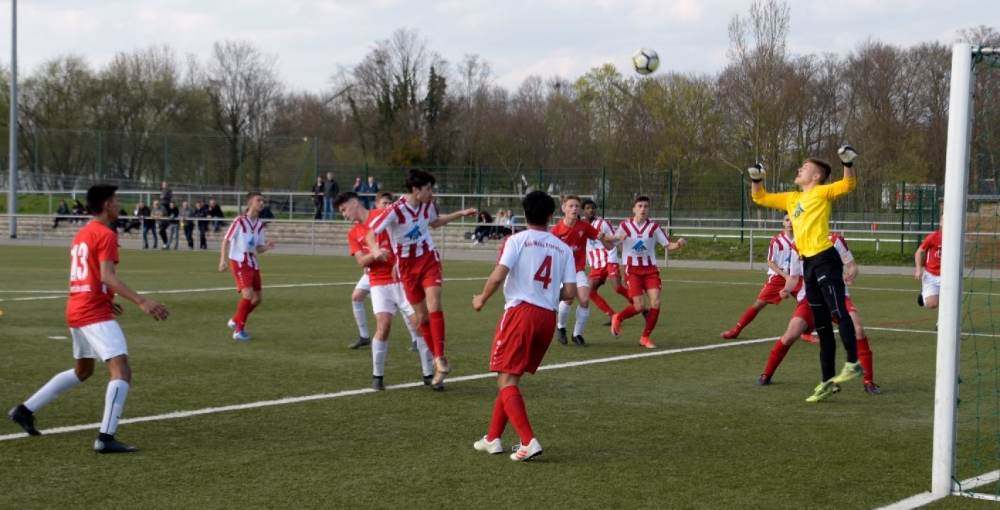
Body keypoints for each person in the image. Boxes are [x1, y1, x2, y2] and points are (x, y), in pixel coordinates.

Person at [7, 184, 169, 453]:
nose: (119, 204)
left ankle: (24, 410)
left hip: (78, 307)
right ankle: (106, 438)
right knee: (121, 370)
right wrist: (142, 301)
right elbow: (106, 275)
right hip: (92, 312)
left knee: (83, 371)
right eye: (117, 200)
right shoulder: (105, 234)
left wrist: (107, 298)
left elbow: (87, 276)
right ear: (107, 205)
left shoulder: (83, 234)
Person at [749, 146, 863, 402]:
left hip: (825, 259)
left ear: (816, 177)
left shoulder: (822, 192)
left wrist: (847, 162)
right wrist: (756, 179)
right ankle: (827, 382)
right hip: (808, 265)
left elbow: (848, 184)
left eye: (805, 168)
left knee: (838, 312)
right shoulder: (791, 199)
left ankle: (854, 363)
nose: (800, 169)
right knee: (821, 325)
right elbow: (760, 197)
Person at [471, 190, 577, 461]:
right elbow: (569, 293)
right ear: (551, 216)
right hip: (547, 318)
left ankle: (528, 441)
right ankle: (493, 438)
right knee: (510, 378)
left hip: (521, 313)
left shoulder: (516, 240)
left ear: (525, 213)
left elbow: (498, 276)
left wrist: (481, 298)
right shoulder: (562, 248)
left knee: (505, 379)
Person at [367, 168, 477, 386]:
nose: (431, 192)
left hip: (428, 260)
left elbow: (435, 223)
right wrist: (376, 251)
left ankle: (440, 357)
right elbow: (371, 234)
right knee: (421, 318)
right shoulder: (395, 211)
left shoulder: (429, 205)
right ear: (415, 190)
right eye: (428, 188)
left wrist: (460, 214)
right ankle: (437, 359)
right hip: (407, 268)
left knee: (434, 303)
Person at [336, 191, 437, 390]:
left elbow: (402, 237)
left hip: (402, 279)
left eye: (344, 209)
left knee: (419, 324)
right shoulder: (354, 233)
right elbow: (361, 261)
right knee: (383, 326)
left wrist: (399, 261)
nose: (344, 215)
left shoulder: (382, 215)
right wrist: (376, 254)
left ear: (355, 203)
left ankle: (428, 374)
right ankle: (377, 377)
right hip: (378, 283)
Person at [797, 232, 882, 395]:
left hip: (837, 293)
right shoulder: (802, 240)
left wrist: (851, 275)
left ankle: (868, 381)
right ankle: (767, 375)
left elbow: (853, 266)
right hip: (813, 297)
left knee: (858, 329)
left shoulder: (835, 239)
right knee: (791, 333)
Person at [609, 196, 686, 348]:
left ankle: (645, 337)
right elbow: (611, 244)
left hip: (650, 270)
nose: (643, 209)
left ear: (649, 209)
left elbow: (667, 245)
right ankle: (618, 317)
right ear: (634, 209)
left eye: (646, 206)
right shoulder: (625, 226)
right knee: (639, 306)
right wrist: (614, 238)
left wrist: (678, 244)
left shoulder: (654, 227)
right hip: (633, 271)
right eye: (640, 206)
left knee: (656, 302)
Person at [549, 195, 616, 347]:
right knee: (568, 298)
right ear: (564, 208)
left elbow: (610, 247)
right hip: (560, 272)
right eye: (571, 206)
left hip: (577, 270)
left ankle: (577, 334)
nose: (574, 209)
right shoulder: (555, 231)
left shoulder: (584, 227)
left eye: (576, 206)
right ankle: (561, 327)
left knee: (585, 299)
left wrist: (603, 238)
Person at [720, 214, 796, 339]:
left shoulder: (801, 239)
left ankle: (806, 333)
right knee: (759, 304)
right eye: (787, 220)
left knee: (811, 303)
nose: (790, 223)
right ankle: (736, 330)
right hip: (779, 278)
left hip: (797, 278)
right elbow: (770, 262)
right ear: (783, 222)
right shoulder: (776, 241)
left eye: (793, 220)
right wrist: (786, 276)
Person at [219, 191, 276, 341]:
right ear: (250, 203)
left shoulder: (260, 225)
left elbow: (258, 248)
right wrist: (222, 260)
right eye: (259, 200)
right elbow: (226, 240)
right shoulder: (239, 221)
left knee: (257, 299)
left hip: (252, 262)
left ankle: (236, 320)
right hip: (239, 261)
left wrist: (267, 247)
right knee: (248, 295)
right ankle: (239, 331)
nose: (262, 203)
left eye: (263, 201)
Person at [582, 199, 631, 326]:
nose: (591, 210)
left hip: (609, 258)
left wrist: (621, 242)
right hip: (596, 265)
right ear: (584, 211)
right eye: (588, 208)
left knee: (618, 288)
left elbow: (615, 238)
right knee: (589, 292)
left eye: (593, 207)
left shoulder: (603, 223)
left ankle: (641, 307)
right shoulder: (582, 226)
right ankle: (613, 315)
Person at [915, 217, 942, 310]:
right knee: (932, 304)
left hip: (948, 275)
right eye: (943, 219)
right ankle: (924, 295)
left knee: (950, 302)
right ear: (941, 223)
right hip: (932, 274)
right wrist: (919, 270)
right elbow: (919, 252)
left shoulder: (956, 239)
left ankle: (940, 324)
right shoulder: (933, 237)